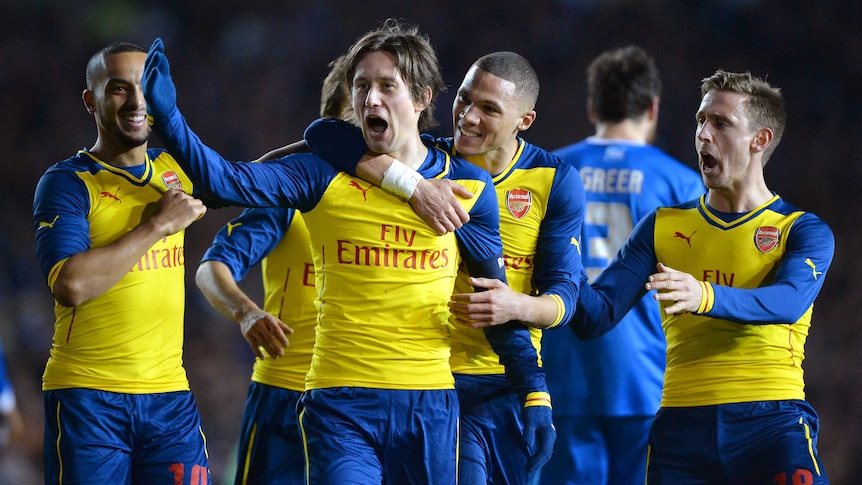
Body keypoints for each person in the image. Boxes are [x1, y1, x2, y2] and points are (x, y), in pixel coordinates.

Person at [143, 18, 553, 485]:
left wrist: (535, 394)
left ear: (421, 98)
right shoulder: (320, 174)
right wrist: (169, 118)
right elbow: (225, 179)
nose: (370, 99)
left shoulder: (470, 189)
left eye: (386, 86)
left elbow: (493, 301)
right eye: (361, 87)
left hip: (431, 406)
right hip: (340, 403)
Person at [304, 51, 584, 484]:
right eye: (465, 99)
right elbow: (324, 133)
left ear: (523, 121)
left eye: (489, 109)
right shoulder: (426, 159)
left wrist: (516, 308)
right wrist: (410, 183)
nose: (468, 117)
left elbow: (565, 295)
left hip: (502, 379)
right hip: (433, 381)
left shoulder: (553, 179)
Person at [571, 69, 833, 483]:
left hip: (770, 424)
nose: (703, 134)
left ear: (759, 140)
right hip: (681, 429)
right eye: (700, 121)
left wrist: (705, 295)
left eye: (721, 123)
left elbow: (788, 301)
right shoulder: (660, 226)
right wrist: (554, 264)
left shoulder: (801, 230)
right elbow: (595, 316)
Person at [32, 42, 210, 484]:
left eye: (143, 86)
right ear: (91, 101)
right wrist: (156, 227)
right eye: (118, 88)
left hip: (170, 399)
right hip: (89, 399)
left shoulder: (176, 169)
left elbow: (252, 178)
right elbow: (70, 285)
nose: (135, 102)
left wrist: (334, 144)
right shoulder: (68, 182)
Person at [536, 46, 704, 485]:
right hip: (646, 378)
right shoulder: (681, 183)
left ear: (592, 107)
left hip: (562, 373)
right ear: (652, 108)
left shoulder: (545, 171)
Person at [194, 55, 350, 485]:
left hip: (376, 397)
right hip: (287, 395)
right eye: (356, 110)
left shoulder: (418, 199)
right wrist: (247, 311)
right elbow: (212, 268)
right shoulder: (288, 195)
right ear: (329, 125)